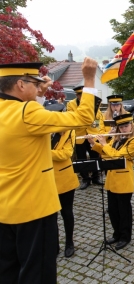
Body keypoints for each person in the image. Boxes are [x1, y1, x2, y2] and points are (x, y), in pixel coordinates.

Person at [0, 59, 98, 284]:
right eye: (34, 83)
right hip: (33, 210)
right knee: (38, 274)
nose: (38, 87)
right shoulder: (28, 112)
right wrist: (89, 79)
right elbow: (83, 118)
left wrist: (39, 93)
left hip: (5, 209)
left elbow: (29, 125)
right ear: (21, 85)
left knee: (8, 271)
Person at [88, 113, 134, 251]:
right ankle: (116, 233)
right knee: (112, 210)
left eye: (126, 126)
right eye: (121, 127)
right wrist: (94, 143)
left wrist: (104, 143)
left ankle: (125, 236)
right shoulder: (115, 140)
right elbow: (106, 153)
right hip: (111, 180)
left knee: (124, 211)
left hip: (124, 181)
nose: (123, 129)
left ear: (131, 126)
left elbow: (118, 156)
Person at [46, 102, 79, 258]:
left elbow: (66, 154)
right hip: (47, 179)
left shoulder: (69, 132)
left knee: (67, 213)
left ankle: (69, 242)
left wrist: (45, 152)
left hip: (65, 179)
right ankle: (54, 244)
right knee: (51, 216)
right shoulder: (46, 131)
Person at [68, 85, 103, 189]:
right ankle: (85, 179)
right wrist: (83, 114)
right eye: (79, 95)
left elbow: (97, 117)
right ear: (77, 95)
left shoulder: (93, 103)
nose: (81, 97)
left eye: (83, 95)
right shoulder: (71, 104)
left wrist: (92, 110)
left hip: (92, 133)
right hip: (80, 135)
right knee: (81, 158)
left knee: (95, 156)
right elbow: (73, 118)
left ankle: (96, 177)